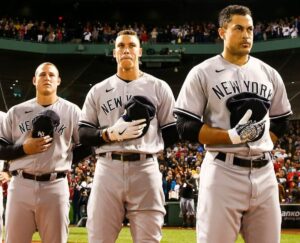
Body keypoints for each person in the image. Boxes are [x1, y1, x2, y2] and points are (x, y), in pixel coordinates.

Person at [174, 5, 292, 243]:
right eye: (238, 28)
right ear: (222, 32)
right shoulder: (202, 72)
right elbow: (184, 125)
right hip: (222, 171)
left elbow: (281, 121)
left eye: (250, 29)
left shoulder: (269, 73)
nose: (247, 34)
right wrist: (231, 137)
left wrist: (261, 140)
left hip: (264, 172)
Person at [79, 29, 178, 242]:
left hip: (145, 167)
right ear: (114, 53)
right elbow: (83, 133)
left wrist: (149, 145)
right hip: (108, 168)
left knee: (149, 238)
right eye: (121, 46)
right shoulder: (98, 90)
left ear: (140, 51)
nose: (126, 50)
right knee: (99, 237)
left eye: (131, 46)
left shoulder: (159, 87)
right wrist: (108, 134)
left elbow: (172, 133)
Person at [0, 62, 91, 243]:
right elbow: (1, 150)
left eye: (51, 75)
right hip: (20, 184)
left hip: (55, 185)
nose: (47, 78)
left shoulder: (72, 111)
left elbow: (88, 145)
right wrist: (24, 148)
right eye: (42, 75)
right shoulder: (15, 112)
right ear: (34, 80)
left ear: (58, 81)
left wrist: (64, 157)